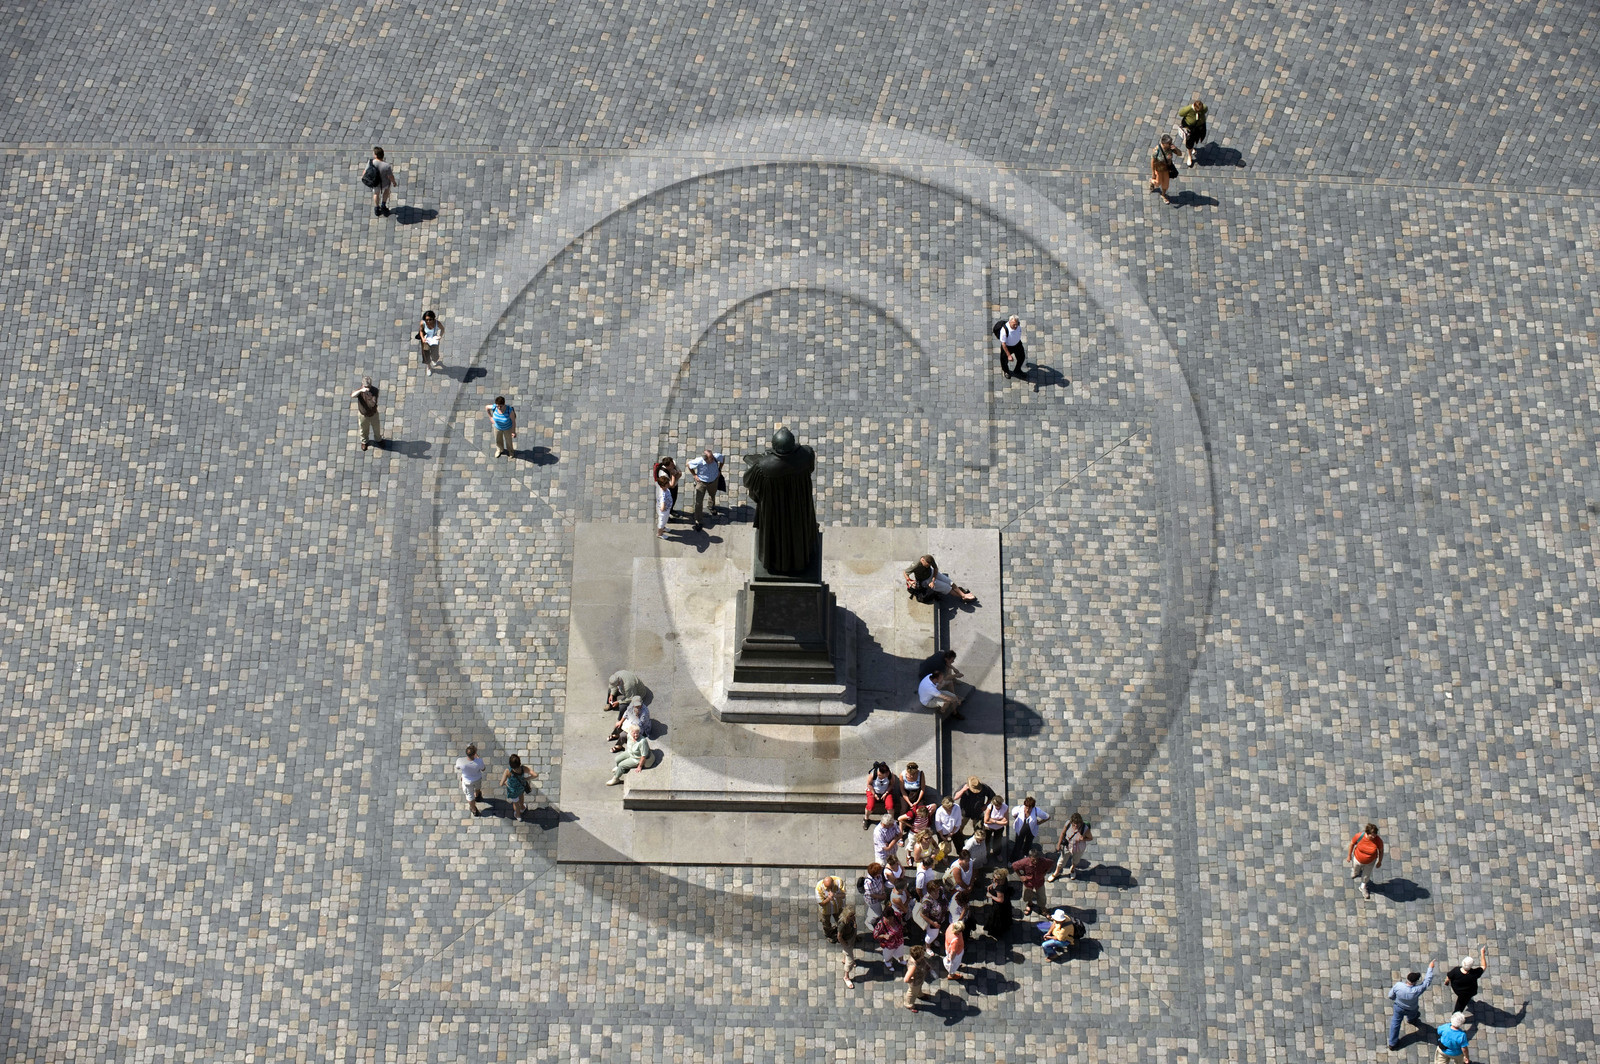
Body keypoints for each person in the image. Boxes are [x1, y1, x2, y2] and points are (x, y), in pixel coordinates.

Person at [741, 427, 819, 575]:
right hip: (799, 505)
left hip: (774, 509)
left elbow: (749, 483)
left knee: (775, 532)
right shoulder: (807, 454)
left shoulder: (763, 466)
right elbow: (810, 469)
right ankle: (800, 557)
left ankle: (775, 560)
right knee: (798, 529)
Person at [1386, 961, 1436, 1050]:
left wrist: (1395, 1000)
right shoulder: (1417, 990)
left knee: (1395, 1024)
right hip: (1411, 1008)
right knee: (1413, 1014)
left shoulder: (1398, 986)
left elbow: (1390, 995)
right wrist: (1430, 968)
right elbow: (1427, 981)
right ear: (1415, 982)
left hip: (1398, 1007)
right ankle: (1411, 1020)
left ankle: (1392, 1043)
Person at [904, 555, 977, 604]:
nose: (927, 566)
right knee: (946, 587)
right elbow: (905, 572)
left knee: (949, 582)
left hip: (931, 574)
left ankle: (963, 595)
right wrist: (910, 581)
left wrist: (933, 579)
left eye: (929, 566)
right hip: (925, 581)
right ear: (922, 560)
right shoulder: (916, 565)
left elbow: (935, 568)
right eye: (926, 565)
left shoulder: (929, 559)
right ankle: (963, 596)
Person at [685, 447, 726, 531]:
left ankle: (711, 507)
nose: (712, 460)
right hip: (702, 483)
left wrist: (719, 469)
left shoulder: (716, 456)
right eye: (710, 459)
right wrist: (694, 475)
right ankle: (698, 520)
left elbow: (722, 458)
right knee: (698, 503)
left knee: (712, 495)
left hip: (713, 481)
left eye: (712, 458)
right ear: (705, 459)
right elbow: (688, 465)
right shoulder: (699, 461)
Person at [1049, 812, 1093, 882]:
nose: (1076, 825)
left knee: (1076, 860)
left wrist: (1083, 839)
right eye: (1074, 824)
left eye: (1078, 824)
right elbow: (1063, 833)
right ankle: (1056, 873)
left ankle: (1072, 870)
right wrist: (1058, 844)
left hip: (1079, 848)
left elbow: (1090, 838)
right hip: (1067, 846)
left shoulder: (1085, 828)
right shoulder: (1068, 824)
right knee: (1061, 860)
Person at [1347, 822, 1385, 898]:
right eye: (1372, 835)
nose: (1374, 837)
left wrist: (1379, 861)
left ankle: (1363, 886)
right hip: (1357, 858)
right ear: (1367, 833)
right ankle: (1355, 872)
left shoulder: (1378, 841)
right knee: (1356, 867)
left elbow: (1381, 851)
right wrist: (1349, 856)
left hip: (1370, 862)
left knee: (1366, 875)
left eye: (1375, 835)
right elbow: (1352, 844)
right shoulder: (1359, 836)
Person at [1445, 947, 1488, 1014]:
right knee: (1460, 1006)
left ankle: (1456, 1015)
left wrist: (1446, 982)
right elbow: (1483, 966)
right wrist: (1482, 953)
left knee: (1460, 1003)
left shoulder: (1456, 970)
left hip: (1457, 989)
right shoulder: (1474, 974)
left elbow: (1448, 977)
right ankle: (1456, 1015)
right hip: (1466, 994)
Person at [1010, 846, 1051, 917]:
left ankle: (1042, 907)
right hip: (1028, 882)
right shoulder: (1024, 861)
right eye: (1033, 860)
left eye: (1036, 859)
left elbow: (1050, 863)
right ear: (1029, 858)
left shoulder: (1043, 861)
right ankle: (1029, 903)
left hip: (1039, 882)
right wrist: (1021, 876)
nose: (1035, 861)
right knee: (1027, 895)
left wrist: (1045, 873)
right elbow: (1014, 865)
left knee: (1041, 896)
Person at [1009, 795, 1051, 862]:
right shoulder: (1019, 809)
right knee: (1018, 844)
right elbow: (1013, 814)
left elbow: (1047, 817)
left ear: (1033, 807)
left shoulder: (1037, 811)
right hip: (1021, 829)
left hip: (1031, 830)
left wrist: (1039, 822)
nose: (1027, 809)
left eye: (1030, 808)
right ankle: (1013, 859)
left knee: (1028, 843)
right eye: (1026, 807)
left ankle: (1025, 854)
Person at [864, 762, 900, 829]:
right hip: (873, 791)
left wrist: (886, 793)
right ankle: (866, 819)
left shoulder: (890, 775)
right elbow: (869, 784)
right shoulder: (873, 774)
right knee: (870, 806)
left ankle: (891, 821)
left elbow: (892, 784)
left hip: (886, 791)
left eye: (885, 776)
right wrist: (874, 794)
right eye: (880, 776)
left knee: (890, 806)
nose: (882, 777)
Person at [501, 754, 536, 821]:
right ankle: (522, 807)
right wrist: (527, 779)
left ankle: (518, 815)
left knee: (515, 803)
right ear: (519, 762)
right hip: (521, 787)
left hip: (513, 791)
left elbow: (501, 783)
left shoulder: (508, 771)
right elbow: (535, 775)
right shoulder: (523, 768)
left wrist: (506, 783)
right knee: (521, 796)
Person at [454, 744, 486, 817]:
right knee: (478, 788)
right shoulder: (479, 761)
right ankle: (477, 796)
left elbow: (458, 767)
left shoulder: (460, 761)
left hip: (467, 781)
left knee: (470, 796)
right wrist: (477, 758)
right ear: (474, 754)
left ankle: (474, 809)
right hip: (477, 778)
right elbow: (483, 769)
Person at [982, 869, 1014, 940]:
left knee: (996, 919)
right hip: (1006, 903)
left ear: (1001, 879)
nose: (994, 880)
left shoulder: (1000, 889)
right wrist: (992, 885)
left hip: (999, 907)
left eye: (997, 879)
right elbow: (994, 883)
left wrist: (990, 896)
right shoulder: (1002, 881)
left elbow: (1000, 900)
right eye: (994, 877)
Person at [351, 376, 381, 451]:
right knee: (363, 429)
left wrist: (369, 396)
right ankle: (364, 441)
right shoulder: (360, 391)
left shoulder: (374, 391)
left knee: (376, 428)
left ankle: (378, 439)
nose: (367, 387)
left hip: (373, 414)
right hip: (363, 415)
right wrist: (361, 390)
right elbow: (352, 395)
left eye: (368, 386)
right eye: (365, 386)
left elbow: (372, 404)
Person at [1178, 97, 1208, 167]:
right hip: (1190, 129)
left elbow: (1205, 111)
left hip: (1199, 127)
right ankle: (1189, 155)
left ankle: (1192, 149)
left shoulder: (1204, 108)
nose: (1198, 112)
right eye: (1196, 111)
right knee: (1190, 143)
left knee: (1197, 139)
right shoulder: (1187, 109)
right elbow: (1181, 113)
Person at [815, 875, 846, 941]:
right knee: (826, 924)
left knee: (841, 921)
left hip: (838, 907)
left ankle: (841, 932)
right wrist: (829, 898)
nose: (829, 890)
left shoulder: (839, 881)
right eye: (827, 888)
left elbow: (843, 895)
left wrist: (835, 895)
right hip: (825, 910)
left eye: (831, 887)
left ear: (833, 883)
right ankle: (829, 935)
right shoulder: (818, 888)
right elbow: (821, 903)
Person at [1150, 133, 1180, 202]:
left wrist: (1176, 149)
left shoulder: (1170, 148)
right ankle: (1152, 181)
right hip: (1159, 169)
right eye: (1169, 143)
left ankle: (1163, 195)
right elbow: (1152, 162)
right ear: (1164, 143)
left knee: (1166, 185)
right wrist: (1153, 173)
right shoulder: (1157, 150)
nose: (1170, 144)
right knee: (1158, 183)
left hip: (1166, 169)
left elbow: (1179, 154)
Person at [901, 945, 933, 1012]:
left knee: (918, 988)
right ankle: (909, 1004)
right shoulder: (913, 965)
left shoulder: (918, 959)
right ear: (918, 957)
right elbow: (906, 979)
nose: (924, 954)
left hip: (920, 979)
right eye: (922, 954)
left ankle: (919, 994)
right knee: (912, 993)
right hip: (915, 982)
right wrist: (912, 980)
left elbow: (923, 962)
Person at [368, 146, 397, 216]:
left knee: (376, 194)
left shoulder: (371, 162)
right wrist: (394, 182)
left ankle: (377, 208)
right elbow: (390, 176)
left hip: (375, 183)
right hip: (384, 183)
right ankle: (383, 205)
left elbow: (364, 173)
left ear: (375, 155)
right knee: (387, 191)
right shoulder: (386, 166)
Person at [652, 458, 677, 538]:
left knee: (664, 521)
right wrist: (665, 507)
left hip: (667, 510)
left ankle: (663, 528)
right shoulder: (663, 494)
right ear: (663, 486)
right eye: (667, 484)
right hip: (664, 512)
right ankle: (660, 534)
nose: (668, 485)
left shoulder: (665, 489)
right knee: (661, 523)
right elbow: (662, 507)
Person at [837, 908, 861, 989]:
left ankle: (844, 959)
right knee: (850, 960)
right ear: (847, 916)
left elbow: (854, 922)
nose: (853, 917)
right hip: (847, 940)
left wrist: (854, 926)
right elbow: (839, 937)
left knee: (848, 951)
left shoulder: (851, 918)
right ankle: (846, 977)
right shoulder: (842, 924)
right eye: (851, 915)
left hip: (851, 936)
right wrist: (845, 944)